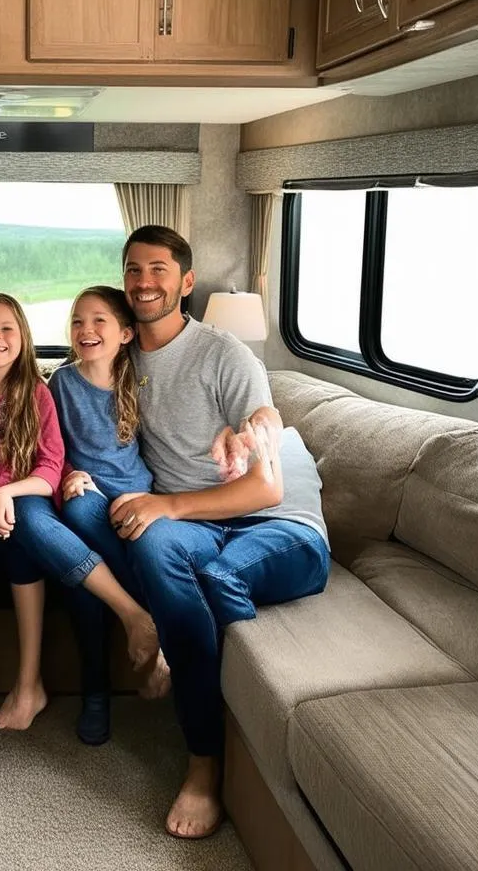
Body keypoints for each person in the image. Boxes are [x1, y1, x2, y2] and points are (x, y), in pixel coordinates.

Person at [111, 225, 331, 840]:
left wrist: (252, 432)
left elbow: (265, 481)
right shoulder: (123, 357)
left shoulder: (224, 354)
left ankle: (203, 763)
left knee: (209, 573)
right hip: (201, 524)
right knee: (150, 543)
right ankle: (178, 644)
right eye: (133, 269)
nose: (144, 282)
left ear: (185, 282)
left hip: (280, 529)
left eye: (158, 270)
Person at [0, 292, 164, 740]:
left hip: (96, 496)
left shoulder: (129, 380)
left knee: (52, 530)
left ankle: (100, 686)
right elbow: (57, 462)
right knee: (60, 516)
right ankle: (134, 618)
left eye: (7, 328)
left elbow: (49, 461)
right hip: (24, 504)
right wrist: (65, 476)